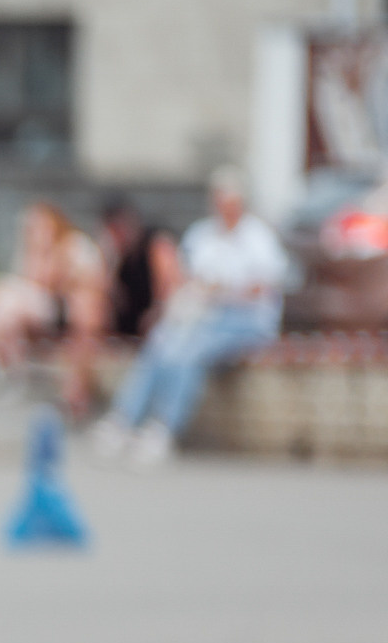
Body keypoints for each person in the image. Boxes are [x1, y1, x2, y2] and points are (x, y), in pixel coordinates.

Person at [91, 167, 289, 465]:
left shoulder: (257, 236)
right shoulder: (202, 234)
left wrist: (222, 292)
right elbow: (188, 279)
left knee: (189, 352)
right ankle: (123, 418)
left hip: (246, 321)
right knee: (161, 341)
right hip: (205, 316)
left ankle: (164, 428)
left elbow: (262, 288)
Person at [0, 202, 110, 416]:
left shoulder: (73, 245)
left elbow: (81, 282)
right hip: (55, 309)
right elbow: (30, 282)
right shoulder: (34, 249)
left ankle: (7, 369)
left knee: (9, 309)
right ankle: (0, 362)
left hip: (68, 309)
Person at [98, 194, 179, 339]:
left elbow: (168, 288)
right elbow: (112, 296)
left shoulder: (156, 243)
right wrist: (110, 259)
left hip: (158, 317)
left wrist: (156, 311)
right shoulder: (118, 254)